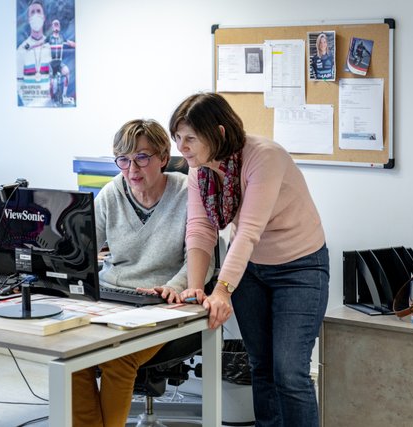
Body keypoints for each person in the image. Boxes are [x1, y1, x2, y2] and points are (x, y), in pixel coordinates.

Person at [170, 92, 329, 427]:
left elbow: (249, 231)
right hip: (252, 270)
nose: (181, 148)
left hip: (300, 267)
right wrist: (196, 289)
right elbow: (200, 229)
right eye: (178, 138)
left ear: (220, 132)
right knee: (261, 365)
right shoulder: (201, 170)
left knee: (290, 372)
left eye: (190, 138)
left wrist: (223, 289)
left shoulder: (264, 157)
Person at [71, 119, 213, 427]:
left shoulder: (187, 192)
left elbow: (203, 257)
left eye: (142, 158)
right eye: (123, 160)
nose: (132, 169)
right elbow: (80, 248)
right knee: (71, 356)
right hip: (110, 296)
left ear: (164, 157)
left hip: (161, 302)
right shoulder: (111, 193)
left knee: (119, 358)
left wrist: (175, 286)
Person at [16, 0, 52, 82]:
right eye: (32, 12)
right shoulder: (21, 50)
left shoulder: (51, 46)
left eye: (39, 11)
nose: (36, 15)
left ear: (44, 17)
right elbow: (19, 82)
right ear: (28, 19)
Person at [47, 19, 76, 104]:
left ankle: (64, 95)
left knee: (67, 72)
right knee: (52, 84)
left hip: (59, 63)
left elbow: (70, 43)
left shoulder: (62, 37)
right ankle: (52, 99)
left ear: (59, 27)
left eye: (57, 25)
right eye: (54, 25)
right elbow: (40, 43)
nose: (56, 26)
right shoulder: (49, 38)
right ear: (52, 27)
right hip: (51, 64)